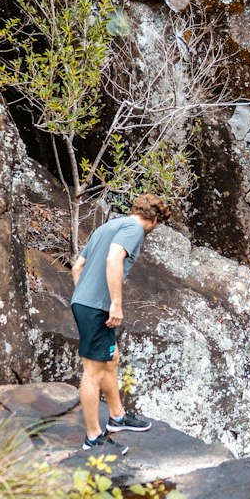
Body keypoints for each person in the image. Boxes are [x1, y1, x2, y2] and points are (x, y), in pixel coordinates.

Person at [70, 193, 170, 452]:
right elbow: (113, 259)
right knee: (93, 372)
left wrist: (85, 296)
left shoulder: (108, 226)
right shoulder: (135, 229)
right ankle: (93, 437)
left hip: (86, 303)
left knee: (111, 359)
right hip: (97, 307)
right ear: (154, 220)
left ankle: (117, 416)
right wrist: (114, 303)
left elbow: (77, 267)